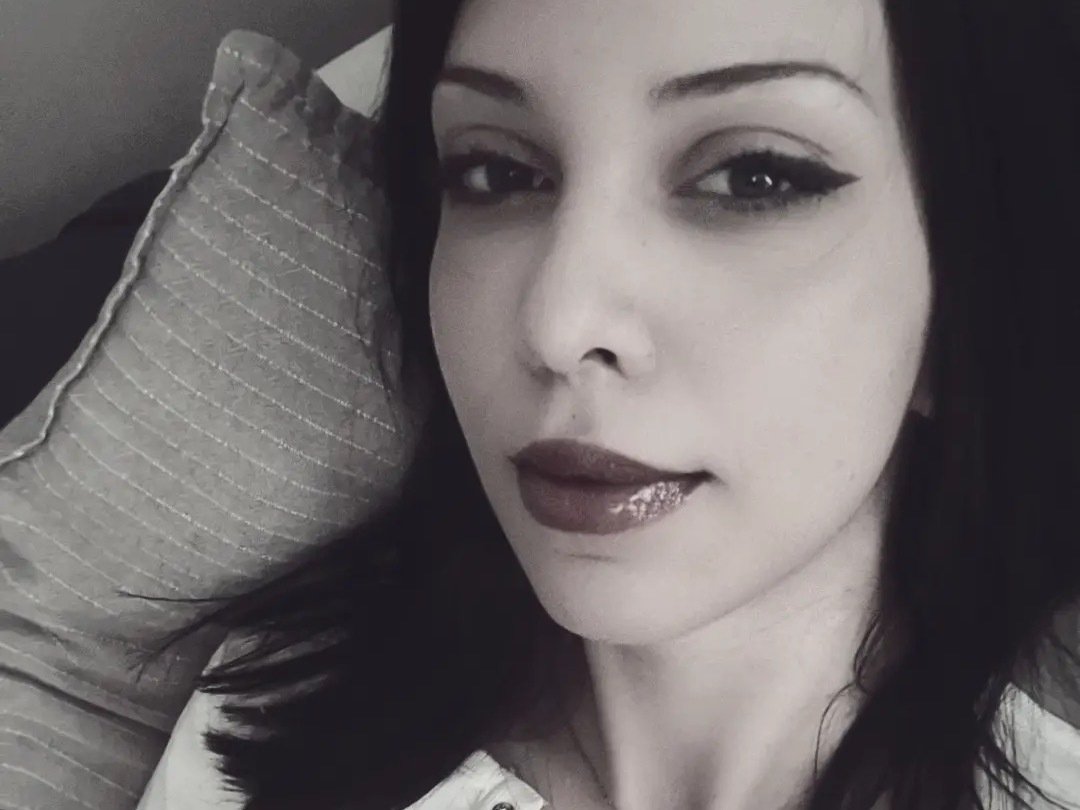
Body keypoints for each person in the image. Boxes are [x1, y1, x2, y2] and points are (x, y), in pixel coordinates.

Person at [135, 0, 1080, 808]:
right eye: (496, 172)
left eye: (753, 175)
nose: (555, 323)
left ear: (966, 294)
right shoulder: (271, 716)